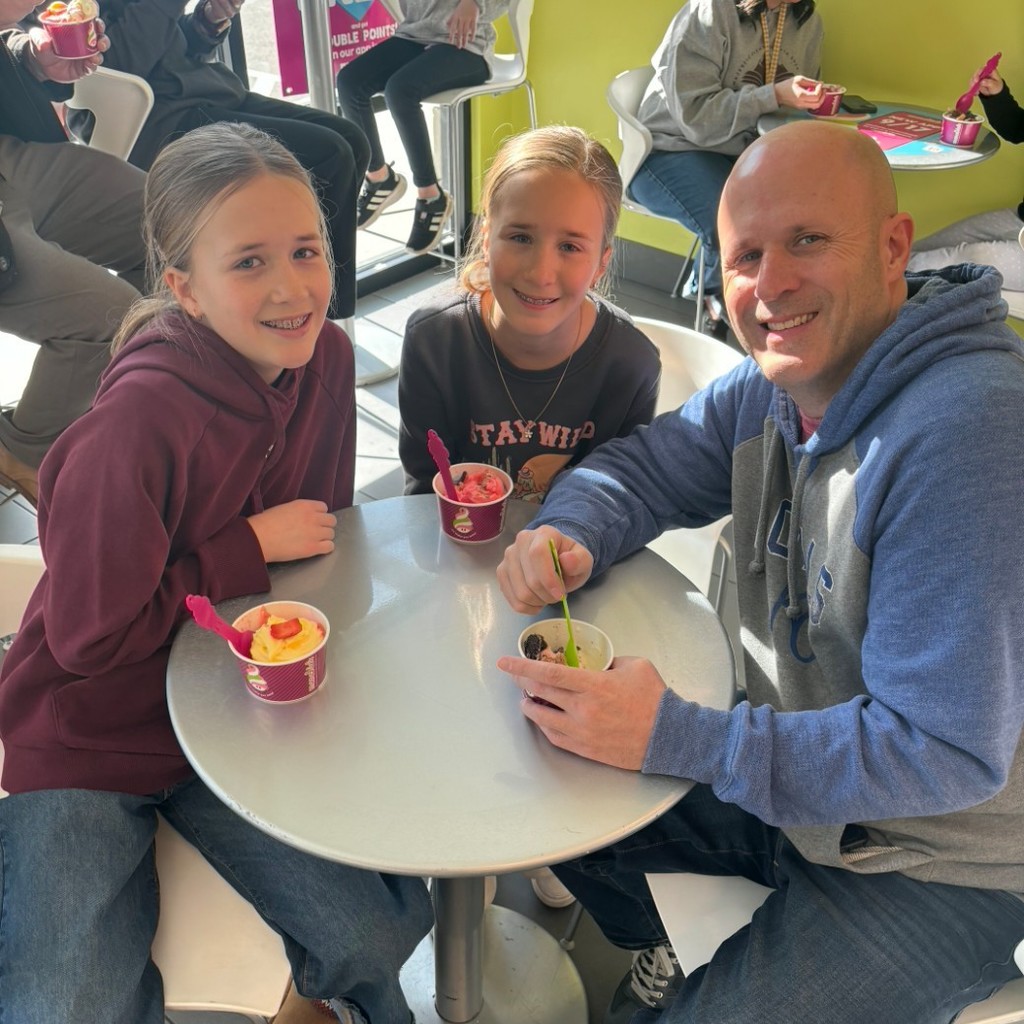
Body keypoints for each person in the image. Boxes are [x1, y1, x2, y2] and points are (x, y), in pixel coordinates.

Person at [494, 120, 1024, 1024]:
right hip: (790, 785)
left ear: (894, 247)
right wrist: (570, 529)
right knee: (549, 785)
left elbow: (942, 753)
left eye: (808, 240)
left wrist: (681, 738)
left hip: (938, 861)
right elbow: (644, 469)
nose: (770, 285)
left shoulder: (969, 436)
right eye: (745, 256)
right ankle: (677, 940)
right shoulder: (774, 384)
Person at [0, 122, 432, 1024]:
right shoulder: (134, 428)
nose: (292, 288)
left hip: (241, 713)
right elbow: (87, 641)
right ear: (184, 288)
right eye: (248, 263)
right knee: (64, 1004)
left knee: (377, 928)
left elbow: (323, 545)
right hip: (96, 734)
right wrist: (247, 546)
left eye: (306, 250)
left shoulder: (326, 361)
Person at [398, 125, 662, 505]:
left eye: (570, 247)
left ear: (601, 263)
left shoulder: (631, 365)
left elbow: (616, 501)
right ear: (487, 240)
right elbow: (425, 496)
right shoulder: (433, 342)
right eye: (520, 238)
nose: (540, 274)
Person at [64, 0, 370, 322]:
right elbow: (114, 64)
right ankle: (314, 316)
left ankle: (309, 302)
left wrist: (207, 22)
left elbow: (172, 47)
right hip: (155, 120)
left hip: (205, 93)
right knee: (330, 154)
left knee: (351, 141)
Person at [0, 1, 146, 506]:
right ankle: (25, 450)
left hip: (12, 156)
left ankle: (137, 405)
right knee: (110, 315)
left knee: (177, 226)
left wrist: (31, 57)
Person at [631, 0, 824, 332]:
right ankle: (716, 307)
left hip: (741, 155)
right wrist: (773, 95)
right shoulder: (710, 11)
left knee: (798, 212)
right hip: (669, 150)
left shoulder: (805, 20)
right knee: (733, 222)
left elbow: (792, 111)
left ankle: (732, 295)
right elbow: (696, 117)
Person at [337, 0, 509, 255]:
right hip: (413, 36)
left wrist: (474, 3)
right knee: (349, 82)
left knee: (400, 91)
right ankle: (379, 177)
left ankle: (430, 196)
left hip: (466, 44)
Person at [908, 63, 1024, 291]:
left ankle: (869, 278)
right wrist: (997, 96)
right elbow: (1017, 128)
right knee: (913, 252)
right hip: (1019, 220)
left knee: (927, 263)